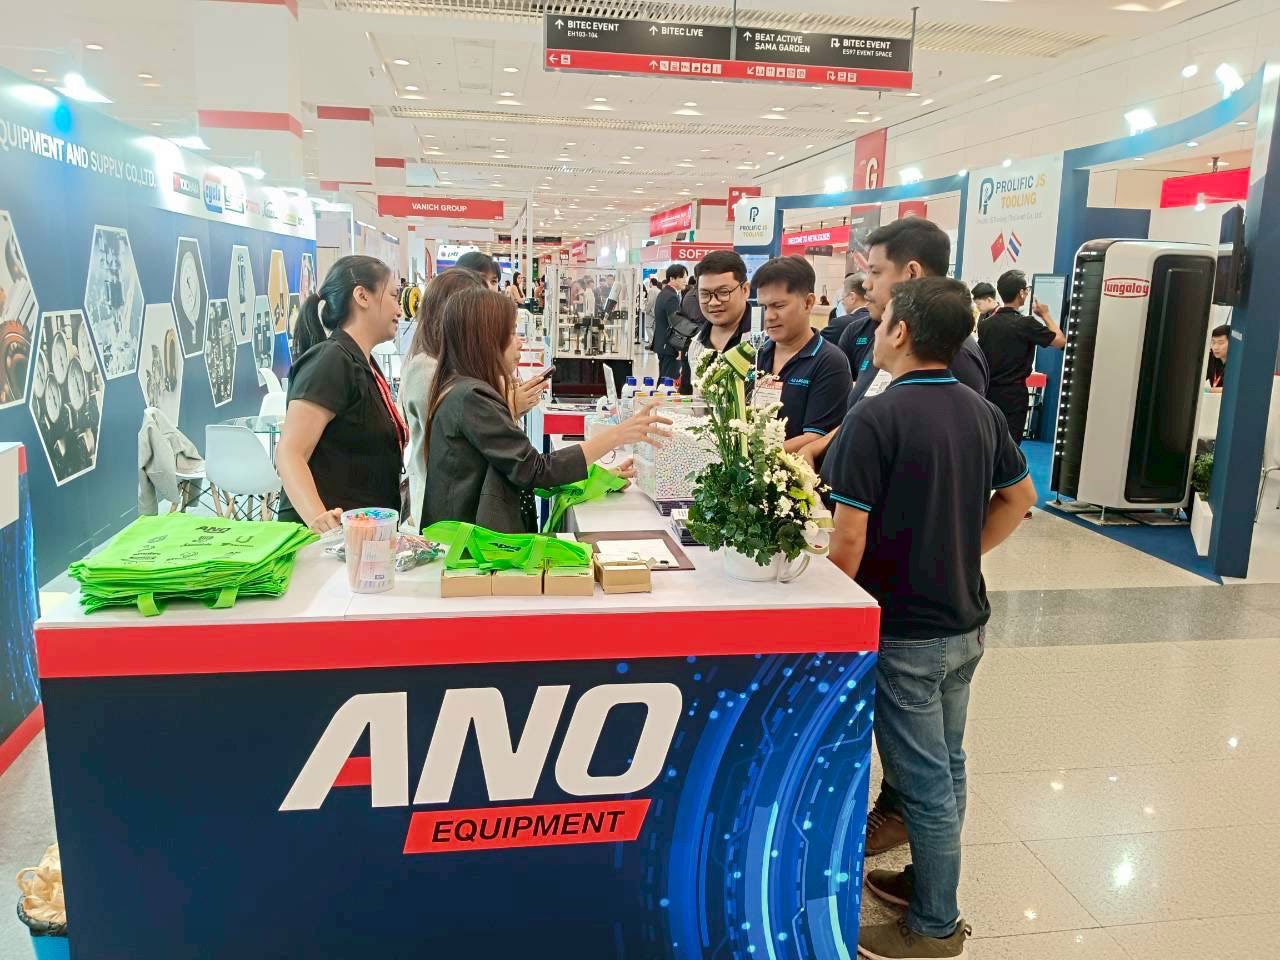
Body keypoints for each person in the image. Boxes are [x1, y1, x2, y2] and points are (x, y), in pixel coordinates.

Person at [825, 277, 1036, 960]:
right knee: (948, 763)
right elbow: (1019, 498)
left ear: (902, 332)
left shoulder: (875, 418)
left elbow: (848, 539)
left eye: (883, 318)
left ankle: (936, 926)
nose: (875, 329)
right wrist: (958, 552)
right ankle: (925, 881)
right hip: (964, 620)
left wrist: (829, 611)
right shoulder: (982, 411)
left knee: (923, 783)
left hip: (905, 630)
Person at [420, 289, 670, 533]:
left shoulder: (463, 390)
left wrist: (600, 478)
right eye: (511, 333)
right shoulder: (472, 397)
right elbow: (535, 470)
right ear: (485, 339)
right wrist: (617, 435)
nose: (520, 342)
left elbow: (519, 467)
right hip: (470, 549)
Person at [802, 218, 991, 472]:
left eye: (875, 272)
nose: (866, 284)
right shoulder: (890, 339)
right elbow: (865, 411)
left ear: (911, 273)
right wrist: (820, 445)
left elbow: (959, 461)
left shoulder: (954, 354)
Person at [277, 255, 408, 530]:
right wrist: (322, 523)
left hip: (361, 537)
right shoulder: (331, 361)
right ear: (362, 296)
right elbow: (290, 453)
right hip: (329, 543)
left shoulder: (364, 362)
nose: (400, 310)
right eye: (394, 296)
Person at [752, 256, 852, 453]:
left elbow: (816, 437)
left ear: (808, 302)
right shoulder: (756, 354)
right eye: (764, 307)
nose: (769, 316)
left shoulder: (829, 362)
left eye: (779, 306)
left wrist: (754, 457)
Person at [977, 268, 1066, 447]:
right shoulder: (1026, 324)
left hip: (988, 393)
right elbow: (1060, 341)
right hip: (1014, 396)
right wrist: (1045, 315)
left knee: (988, 444)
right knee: (1010, 447)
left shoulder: (986, 325)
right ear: (1021, 293)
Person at [686, 251, 749, 376]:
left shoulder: (765, 341)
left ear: (745, 290)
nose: (713, 302)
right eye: (704, 294)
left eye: (723, 292)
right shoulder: (696, 343)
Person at [652, 263, 689, 384]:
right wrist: (680, 348)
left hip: (663, 344)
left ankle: (658, 396)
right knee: (667, 382)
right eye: (682, 277)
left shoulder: (664, 293)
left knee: (664, 379)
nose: (685, 281)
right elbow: (676, 324)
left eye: (686, 277)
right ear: (672, 278)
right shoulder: (671, 297)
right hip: (669, 346)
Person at [827, 272, 870, 356]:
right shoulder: (880, 321)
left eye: (843, 298)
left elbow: (814, 346)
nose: (842, 302)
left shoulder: (840, 323)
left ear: (852, 297)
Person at [1206, 323, 1230, 389]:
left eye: (1220, 343)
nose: (1215, 347)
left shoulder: (1236, 364)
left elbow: (1231, 389)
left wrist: (1208, 390)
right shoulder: (1210, 357)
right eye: (1213, 342)